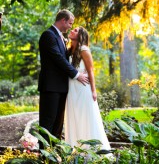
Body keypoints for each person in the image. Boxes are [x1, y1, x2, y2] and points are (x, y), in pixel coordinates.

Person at [38, 9, 89, 147]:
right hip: (50, 87)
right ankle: (44, 156)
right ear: (63, 21)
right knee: (47, 122)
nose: (71, 26)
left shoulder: (61, 37)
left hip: (61, 87)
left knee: (58, 125)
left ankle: (53, 154)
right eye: (70, 23)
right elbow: (57, 58)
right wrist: (76, 75)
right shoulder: (48, 35)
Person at [64, 26, 112, 153]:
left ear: (80, 36)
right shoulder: (69, 50)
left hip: (83, 88)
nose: (71, 31)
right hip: (72, 89)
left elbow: (90, 70)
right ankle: (75, 149)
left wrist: (94, 90)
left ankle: (94, 150)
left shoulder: (84, 49)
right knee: (74, 117)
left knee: (86, 116)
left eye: (75, 30)